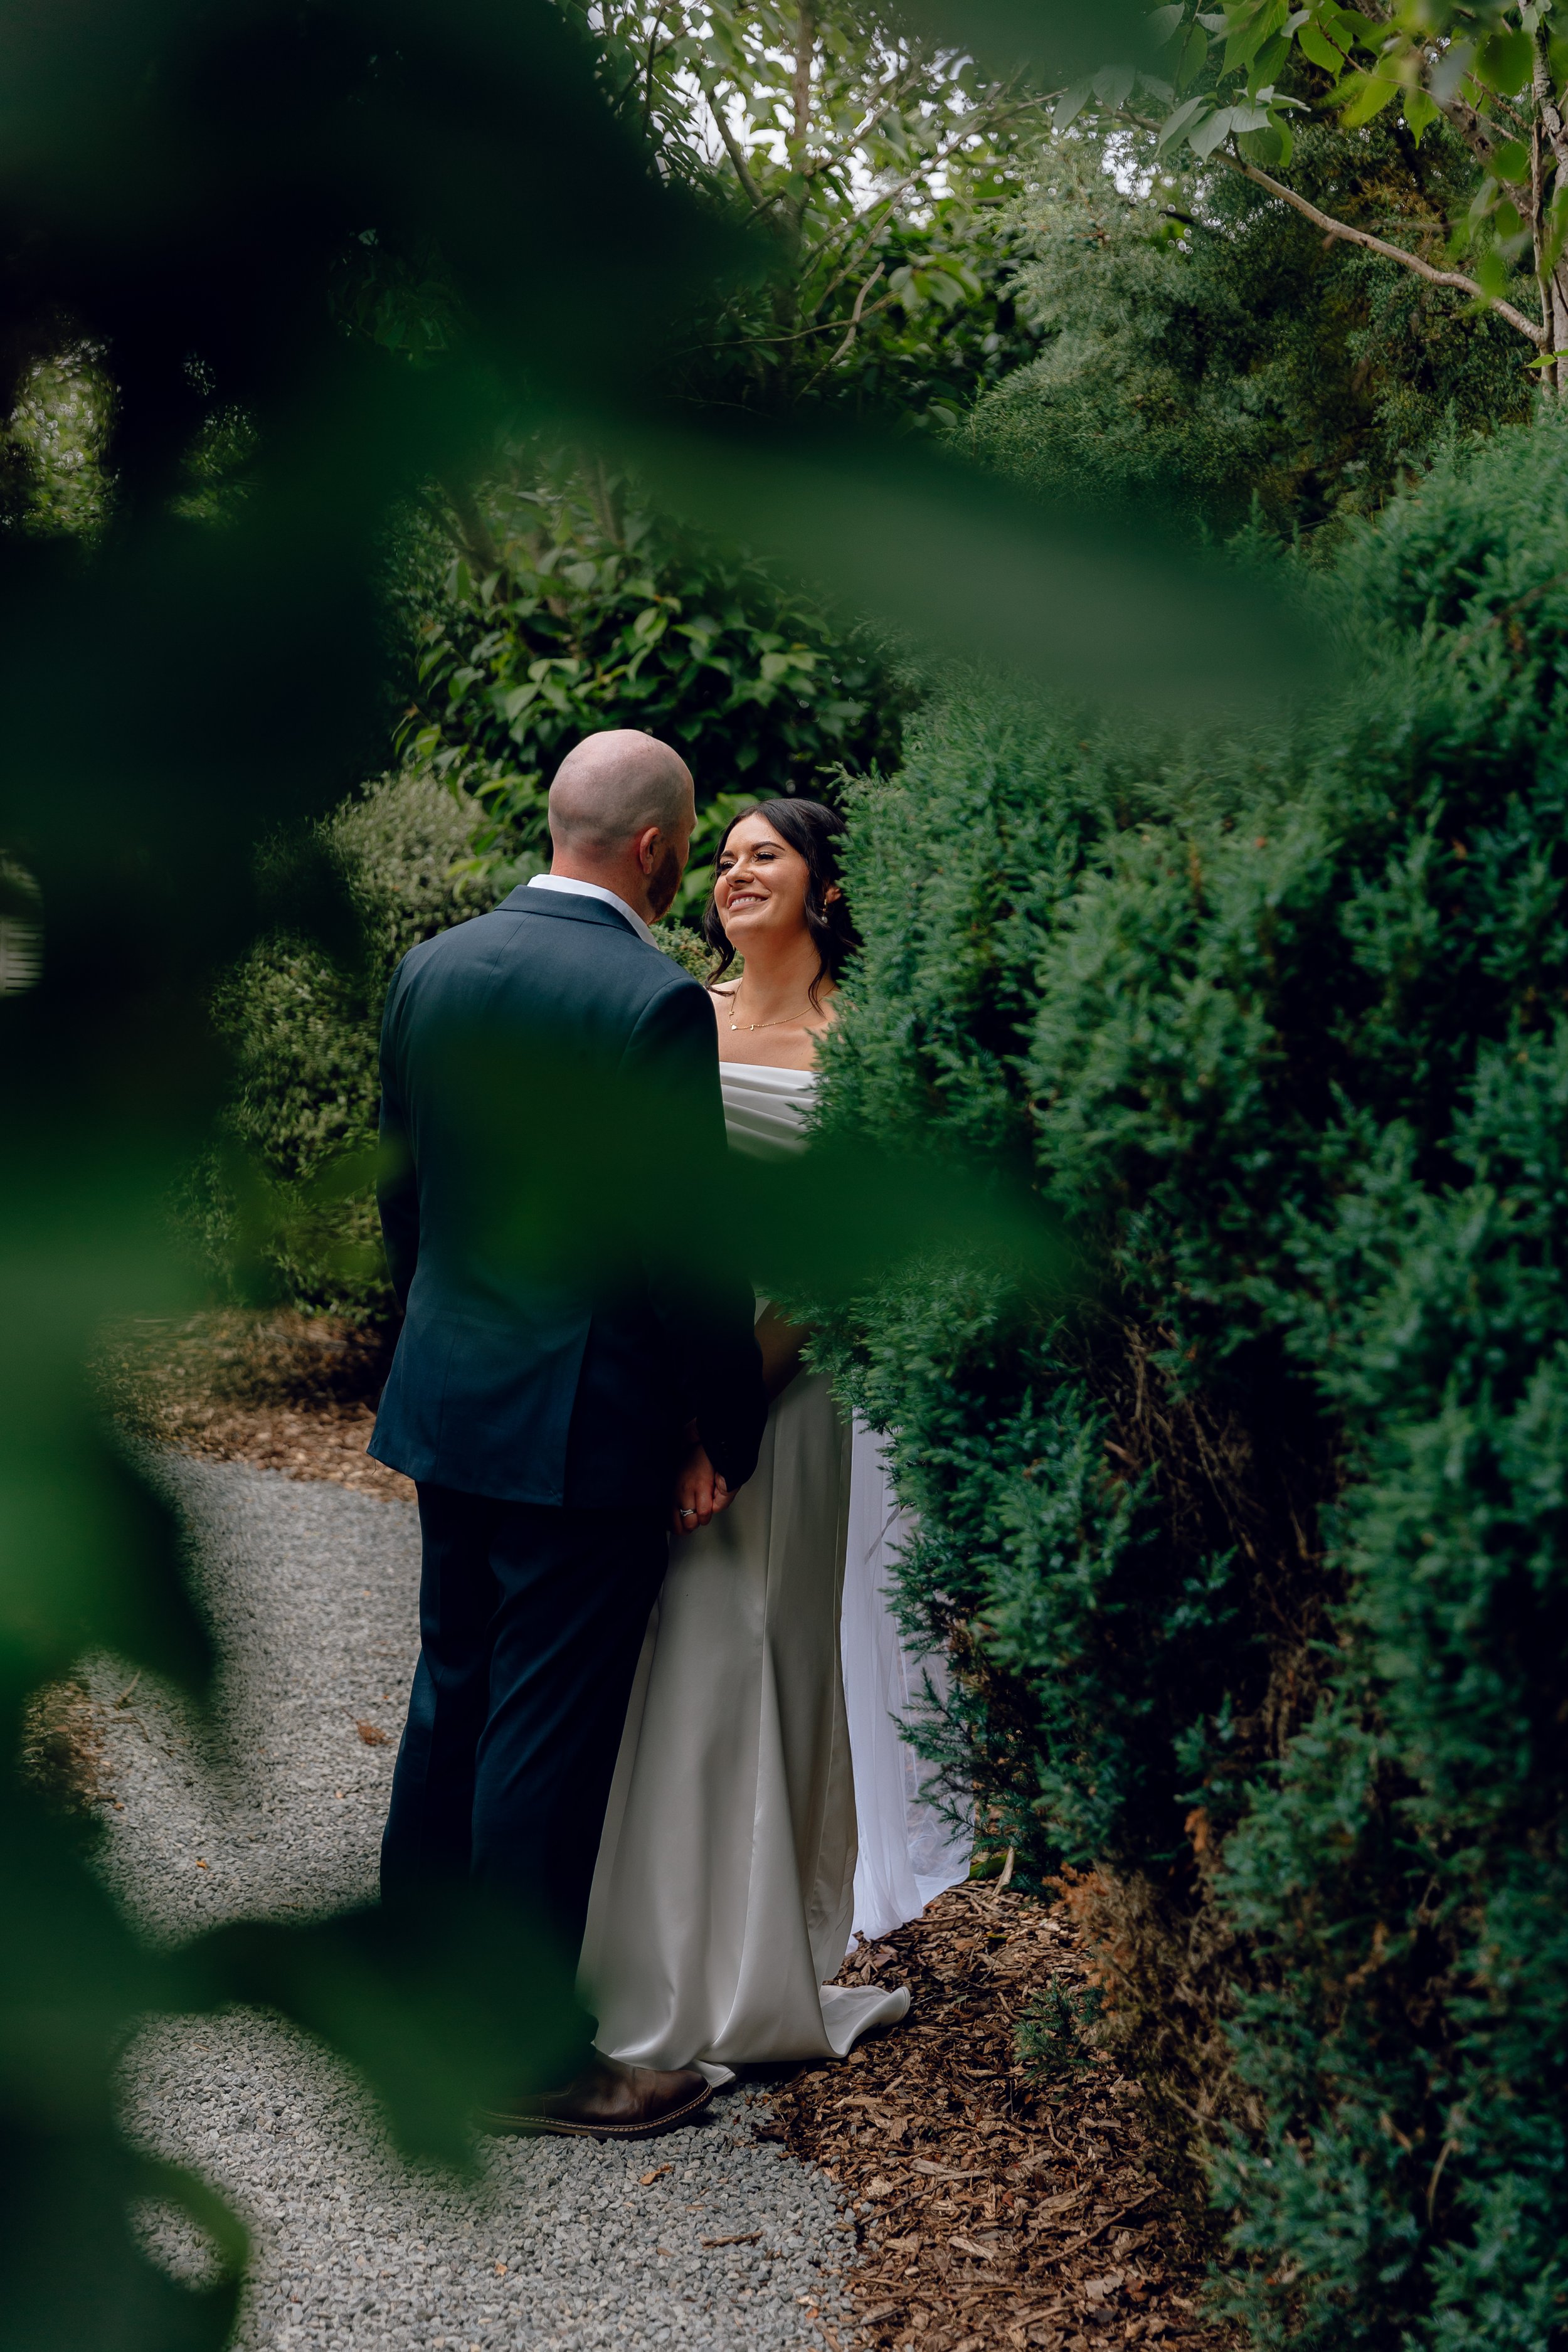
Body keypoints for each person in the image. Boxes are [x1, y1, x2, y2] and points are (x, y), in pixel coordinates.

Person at [369, 729, 769, 2140]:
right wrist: (729, 1424)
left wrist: (430, 1348)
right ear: (659, 850)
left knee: (449, 1698)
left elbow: (404, 1200)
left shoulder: (434, 967)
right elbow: (677, 1251)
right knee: (539, 1729)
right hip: (579, 1421)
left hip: (449, 1393)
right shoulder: (650, 1002)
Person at [580, 798, 968, 2078]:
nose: (737, 872)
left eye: (768, 855)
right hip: (662, 1395)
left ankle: (748, 1974)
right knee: (657, 1653)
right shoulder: (673, 1015)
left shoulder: (860, 1047)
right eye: (727, 854)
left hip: (785, 1399)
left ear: (823, 888)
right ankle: (633, 1953)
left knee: (757, 1639)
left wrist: (722, 1412)